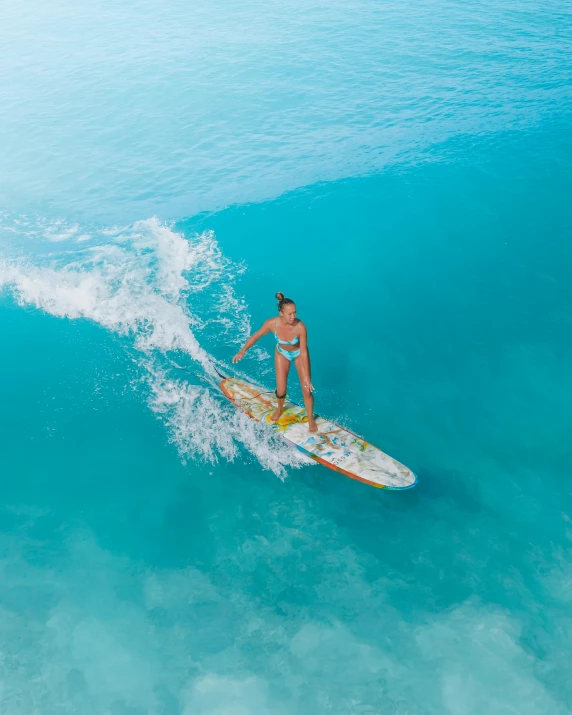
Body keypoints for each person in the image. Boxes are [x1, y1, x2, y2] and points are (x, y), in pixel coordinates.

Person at [233, 292, 317, 432]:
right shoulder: (272, 324)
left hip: (298, 354)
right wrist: (242, 351)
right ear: (281, 313)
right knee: (281, 389)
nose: (293, 316)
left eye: (295, 313)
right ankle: (279, 409)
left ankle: (310, 419)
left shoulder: (300, 327)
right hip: (282, 354)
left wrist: (307, 377)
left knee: (307, 390)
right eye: (289, 314)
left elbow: (303, 352)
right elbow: (256, 336)